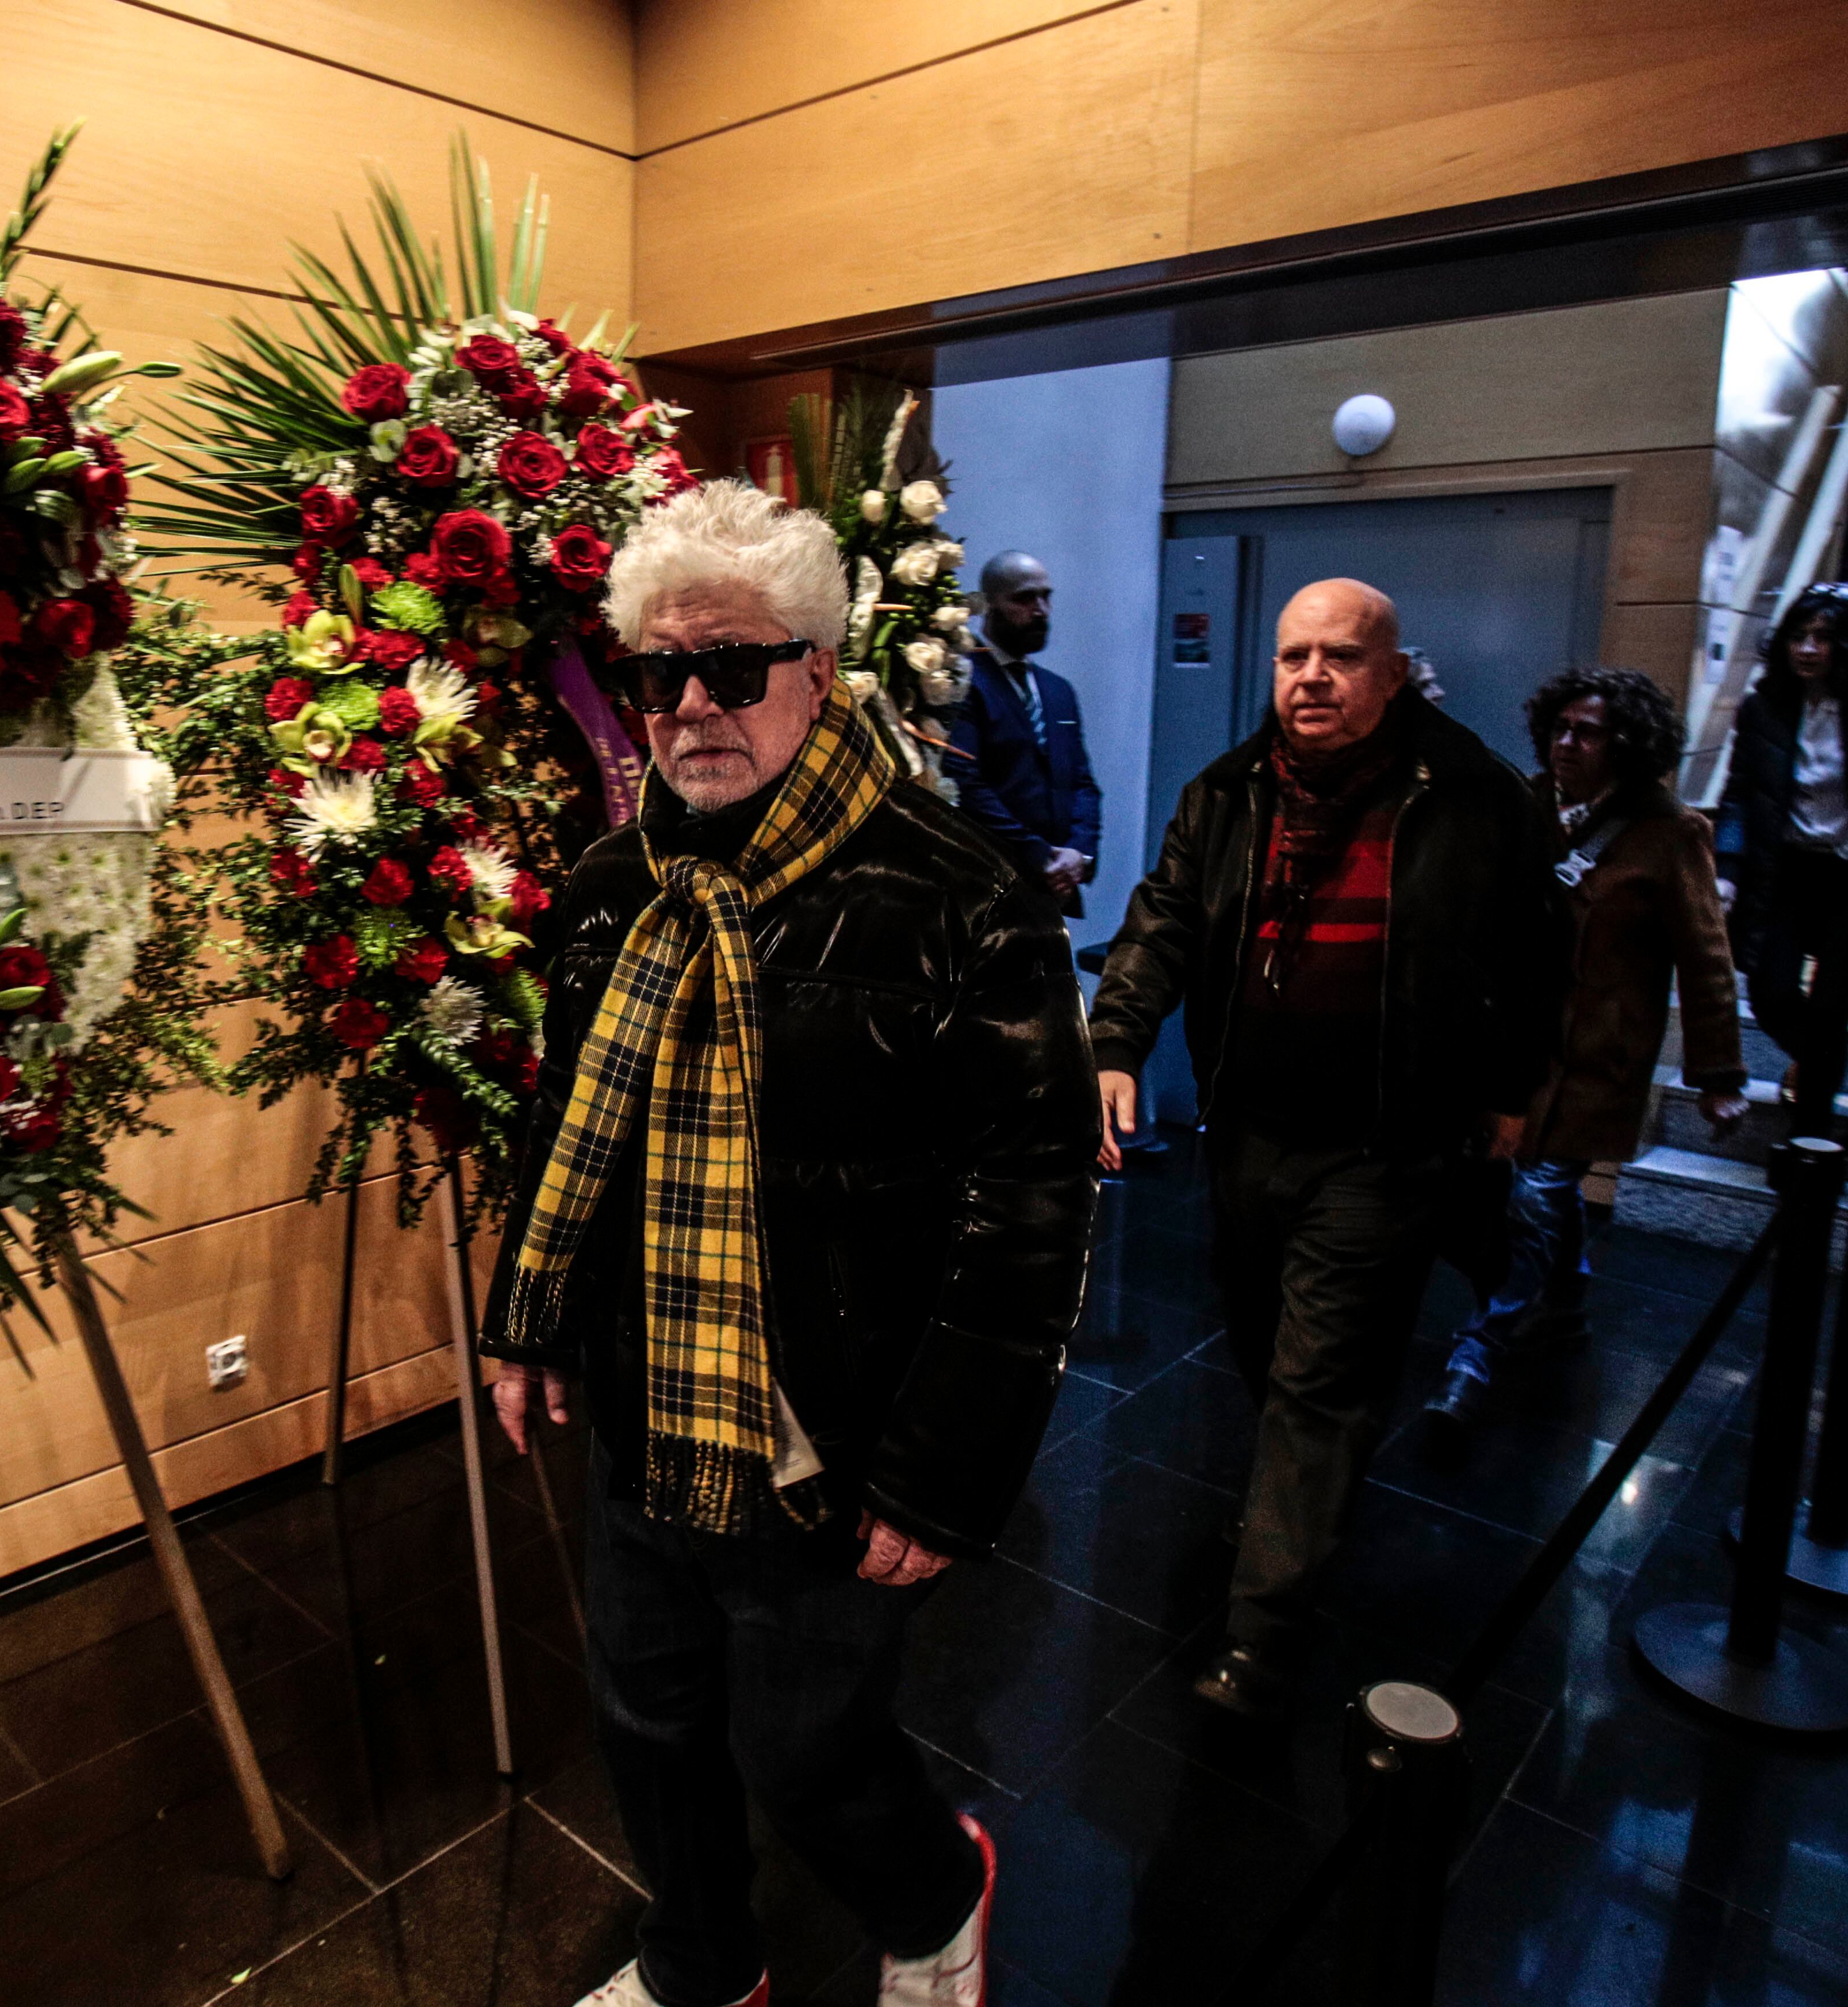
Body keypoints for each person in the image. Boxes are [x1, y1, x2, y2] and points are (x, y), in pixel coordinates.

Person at [482, 481, 1100, 2007]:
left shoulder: (964, 898)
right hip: (646, 1402)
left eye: (733, 665)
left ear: (819, 673)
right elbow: (568, 1128)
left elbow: (1029, 1206)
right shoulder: (615, 882)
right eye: (660, 671)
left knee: (805, 1742)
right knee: (649, 1717)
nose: (692, 703)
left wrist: (950, 1466)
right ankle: (699, 1957)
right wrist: (525, 1314)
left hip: (833, 1428)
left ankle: (935, 1897)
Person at [1087, 579, 1565, 1719]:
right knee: (1262, 1344)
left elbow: (1539, 955)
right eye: (1294, 655)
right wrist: (1115, 1039)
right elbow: (1162, 918)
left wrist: (1510, 1091)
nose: (1311, 676)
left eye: (1340, 656)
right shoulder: (1230, 793)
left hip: (1385, 1145)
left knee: (1320, 1378)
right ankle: (1296, 1506)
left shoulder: (1474, 798)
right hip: (1248, 1131)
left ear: (1391, 673)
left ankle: (1266, 1630)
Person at [1421, 668, 1747, 1449]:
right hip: (1514, 1045)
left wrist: (1718, 1074)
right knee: (1533, 1194)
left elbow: (1704, 956)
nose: (1566, 743)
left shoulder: (1669, 832)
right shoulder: (1527, 806)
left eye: (1587, 731)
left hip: (1594, 1056)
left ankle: (1478, 1352)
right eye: (1559, 727)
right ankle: (1562, 1304)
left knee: (1538, 1188)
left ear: (1626, 744)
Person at [1717, 582, 1848, 1139]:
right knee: (1770, 990)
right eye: (1798, 637)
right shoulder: (1765, 708)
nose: (1807, 649)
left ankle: (1807, 1145)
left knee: (1832, 1007)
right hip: (1784, 873)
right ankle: (1817, 1066)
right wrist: (1728, 870)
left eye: (1823, 638)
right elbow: (1739, 793)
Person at [944, 551, 1102, 913]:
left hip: (1055, 886)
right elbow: (966, 785)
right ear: (988, 606)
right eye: (1024, 598)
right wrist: (1038, 856)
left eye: (1046, 597)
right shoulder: (962, 680)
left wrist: (1079, 854)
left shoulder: (1058, 691)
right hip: (990, 885)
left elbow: (1082, 784)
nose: (1041, 610)